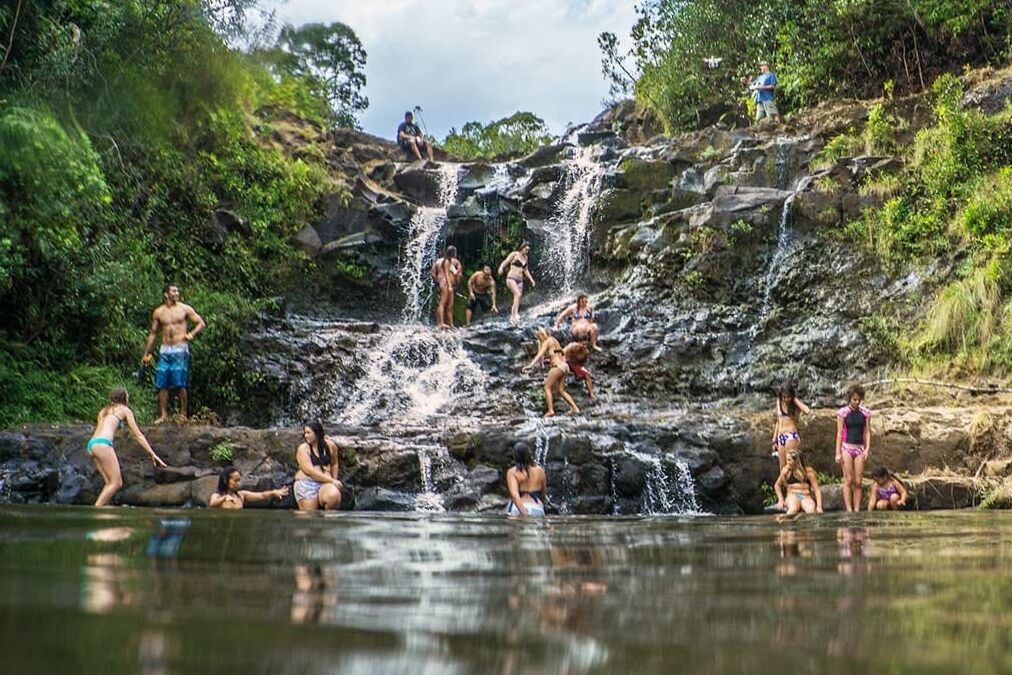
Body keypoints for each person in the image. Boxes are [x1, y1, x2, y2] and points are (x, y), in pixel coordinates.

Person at [87, 387, 167, 507]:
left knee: (109, 483)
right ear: (124, 398)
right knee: (116, 483)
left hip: (92, 445)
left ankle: (104, 517)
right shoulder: (124, 410)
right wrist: (153, 454)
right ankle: (96, 510)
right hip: (103, 444)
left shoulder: (103, 411)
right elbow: (138, 435)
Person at [141, 284, 206, 424]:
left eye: (177, 290)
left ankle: (183, 414)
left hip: (180, 348)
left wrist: (191, 334)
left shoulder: (184, 309)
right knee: (162, 382)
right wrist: (146, 353)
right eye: (174, 291)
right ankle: (163, 414)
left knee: (179, 383)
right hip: (165, 349)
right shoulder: (159, 312)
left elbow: (201, 323)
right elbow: (153, 333)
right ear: (166, 294)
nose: (177, 293)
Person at [523, 327, 579, 417]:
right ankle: (575, 408)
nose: (539, 339)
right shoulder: (554, 340)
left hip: (557, 367)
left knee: (547, 387)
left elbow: (540, 355)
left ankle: (551, 410)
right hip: (565, 366)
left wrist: (530, 366)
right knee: (561, 390)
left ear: (541, 335)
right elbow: (562, 353)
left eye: (539, 337)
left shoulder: (547, 341)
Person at [836, 382, 873, 512]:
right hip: (846, 447)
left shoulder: (866, 413)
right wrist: (838, 453)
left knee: (858, 481)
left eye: (859, 400)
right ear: (849, 399)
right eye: (854, 400)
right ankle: (849, 510)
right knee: (848, 479)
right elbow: (839, 433)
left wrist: (867, 449)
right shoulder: (842, 413)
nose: (857, 402)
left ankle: (857, 510)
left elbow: (867, 431)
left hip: (859, 448)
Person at [293, 421, 342, 511]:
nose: (305, 436)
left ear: (317, 433)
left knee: (333, 496)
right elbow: (309, 471)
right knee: (310, 517)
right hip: (306, 484)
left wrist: (334, 480)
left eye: (308, 433)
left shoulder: (330, 446)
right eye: (305, 433)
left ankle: (330, 522)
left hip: (325, 483)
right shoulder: (303, 449)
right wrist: (332, 480)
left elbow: (334, 463)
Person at [771, 381, 811, 470]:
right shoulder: (779, 403)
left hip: (791, 436)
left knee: (791, 465)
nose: (786, 399)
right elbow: (779, 421)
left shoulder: (794, 405)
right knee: (782, 467)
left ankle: (800, 481)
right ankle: (784, 484)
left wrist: (795, 400)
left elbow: (807, 411)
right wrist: (774, 440)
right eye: (784, 397)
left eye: (788, 397)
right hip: (781, 436)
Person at [209, 466, 289, 509]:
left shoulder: (241, 495)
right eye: (235, 481)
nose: (238, 484)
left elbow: (262, 495)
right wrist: (225, 498)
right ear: (226, 480)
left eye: (239, 481)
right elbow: (212, 504)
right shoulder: (217, 496)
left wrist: (273, 492)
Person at [774, 450, 823, 516]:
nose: (787, 462)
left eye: (789, 460)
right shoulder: (786, 471)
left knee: (811, 510)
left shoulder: (808, 473)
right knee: (793, 510)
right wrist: (781, 499)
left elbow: (817, 490)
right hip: (793, 495)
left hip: (804, 496)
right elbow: (777, 485)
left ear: (796, 461)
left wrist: (819, 506)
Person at [505, 441, 547, 517]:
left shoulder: (512, 472)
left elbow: (515, 496)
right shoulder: (540, 470)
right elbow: (543, 493)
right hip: (537, 507)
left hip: (520, 508)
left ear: (515, 456)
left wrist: (525, 514)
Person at [498, 242, 536, 323]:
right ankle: (513, 316)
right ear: (522, 248)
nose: (527, 251)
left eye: (528, 250)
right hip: (511, 278)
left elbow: (526, 270)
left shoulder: (526, 257)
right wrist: (501, 268)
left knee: (518, 297)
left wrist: (531, 280)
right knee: (517, 294)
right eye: (526, 249)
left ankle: (516, 314)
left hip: (520, 280)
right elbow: (506, 262)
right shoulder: (514, 254)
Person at [431, 245, 462, 329]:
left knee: (450, 305)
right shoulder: (447, 262)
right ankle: (440, 323)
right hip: (446, 284)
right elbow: (447, 275)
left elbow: (433, 274)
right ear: (453, 253)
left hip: (444, 284)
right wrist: (449, 286)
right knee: (442, 303)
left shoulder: (439, 261)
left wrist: (438, 282)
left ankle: (450, 324)